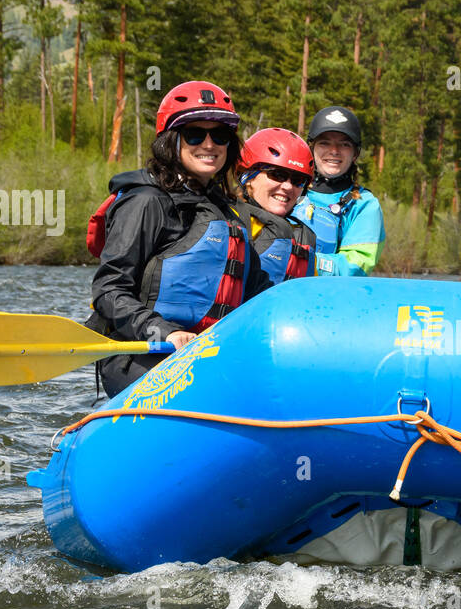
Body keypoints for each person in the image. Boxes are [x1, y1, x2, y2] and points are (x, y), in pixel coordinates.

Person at [87, 80, 273, 397]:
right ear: (171, 141)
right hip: (143, 352)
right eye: (195, 134)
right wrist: (163, 330)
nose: (210, 144)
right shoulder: (146, 202)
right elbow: (108, 289)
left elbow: (260, 292)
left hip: (205, 356)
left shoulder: (227, 213)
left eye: (221, 135)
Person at [292, 106, 385, 276]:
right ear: (312, 148)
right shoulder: (289, 188)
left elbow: (355, 267)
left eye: (344, 144)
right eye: (324, 142)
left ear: (355, 153)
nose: (334, 151)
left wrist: (303, 260)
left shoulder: (365, 205)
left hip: (327, 298)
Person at [232, 128, 319, 284]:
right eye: (277, 174)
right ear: (248, 176)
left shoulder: (302, 239)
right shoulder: (226, 221)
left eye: (298, 180)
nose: (288, 187)